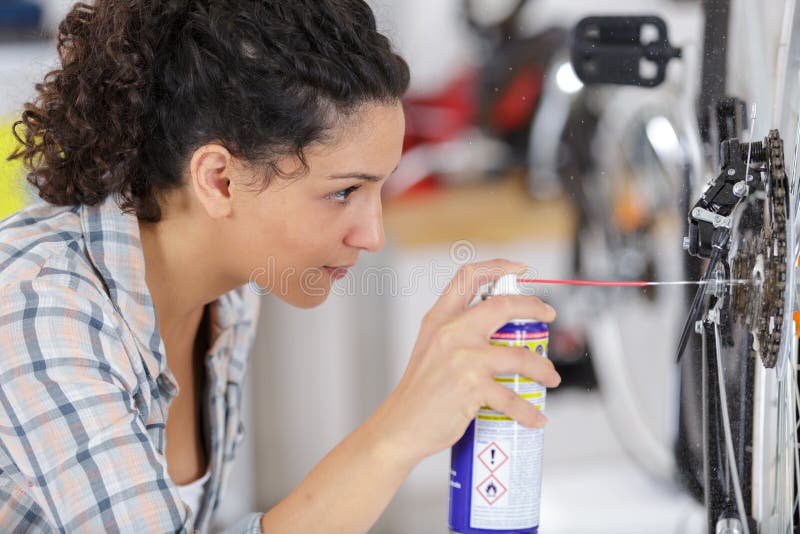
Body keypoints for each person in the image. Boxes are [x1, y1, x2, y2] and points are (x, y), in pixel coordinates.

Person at [0, 0, 560, 531]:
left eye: (379, 189)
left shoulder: (231, 298)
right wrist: (399, 430)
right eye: (343, 192)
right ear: (219, 180)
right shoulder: (43, 312)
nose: (373, 235)